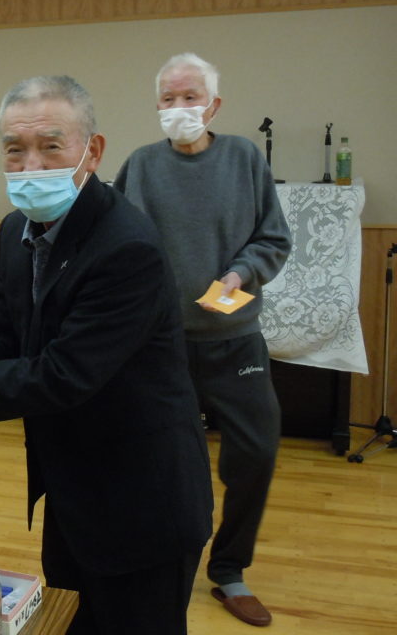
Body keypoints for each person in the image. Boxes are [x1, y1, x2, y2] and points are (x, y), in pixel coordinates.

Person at [0, 75, 213, 635]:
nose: (31, 166)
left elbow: (63, 375)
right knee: (66, 622)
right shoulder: (16, 231)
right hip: (72, 488)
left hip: (143, 498)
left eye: (51, 146)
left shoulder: (126, 246)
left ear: (92, 151)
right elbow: (8, 338)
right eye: (15, 149)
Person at [113, 53, 292, 628]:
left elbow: (273, 238)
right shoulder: (141, 165)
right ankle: (158, 562)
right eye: (168, 99)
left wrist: (239, 274)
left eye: (190, 97)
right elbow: (118, 241)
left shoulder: (243, 158)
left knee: (256, 452)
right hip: (161, 346)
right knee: (157, 459)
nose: (179, 108)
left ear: (213, 105)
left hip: (235, 339)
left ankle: (229, 569)